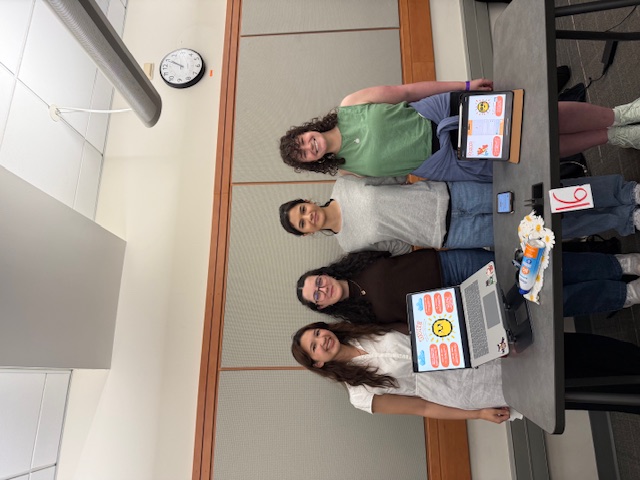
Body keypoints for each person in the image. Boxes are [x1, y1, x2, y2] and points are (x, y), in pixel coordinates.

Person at [279, 79, 640, 182]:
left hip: (443, 115)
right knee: (533, 146)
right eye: (306, 154)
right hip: (448, 159)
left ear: (307, 130)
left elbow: (407, 92)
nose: (309, 146)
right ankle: (616, 136)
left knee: (538, 118)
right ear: (314, 160)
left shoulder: (351, 103)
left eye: (303, 140)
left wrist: (464, 85)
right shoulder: (347, 170)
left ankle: (618, 113)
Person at [291, 321, 640, 422]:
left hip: (469, 351)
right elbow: (423, 408)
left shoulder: (363, 330)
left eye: (317, 333)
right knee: (568, 389)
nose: (321, 340)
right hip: (466, 387)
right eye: (313, 347)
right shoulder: (360, 395)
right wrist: (477, 415)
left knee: (575, 350)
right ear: (317, 363)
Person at [279, 174, 640, 255]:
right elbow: (398, 248)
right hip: (455, 235)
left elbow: (395, 175)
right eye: (301, 224)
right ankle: (623, 219)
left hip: (453, 193)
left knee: (540, 199)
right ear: (307, 233)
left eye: (302, 210)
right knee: (540, 228)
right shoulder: (349, 244)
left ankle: (622, 193)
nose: (307, 217)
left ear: (306, 202)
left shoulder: (345, 184)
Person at [295, 249, 640, 321]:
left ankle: (620, 264)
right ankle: (625, 293)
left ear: (324, 273)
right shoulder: (362, 320)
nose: (322, 290)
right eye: (317, 297)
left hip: (452, 264)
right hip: (458, 304)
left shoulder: (359, 260)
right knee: (537, 301)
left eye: (318, 283)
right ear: (323, 307)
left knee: (537, 268)